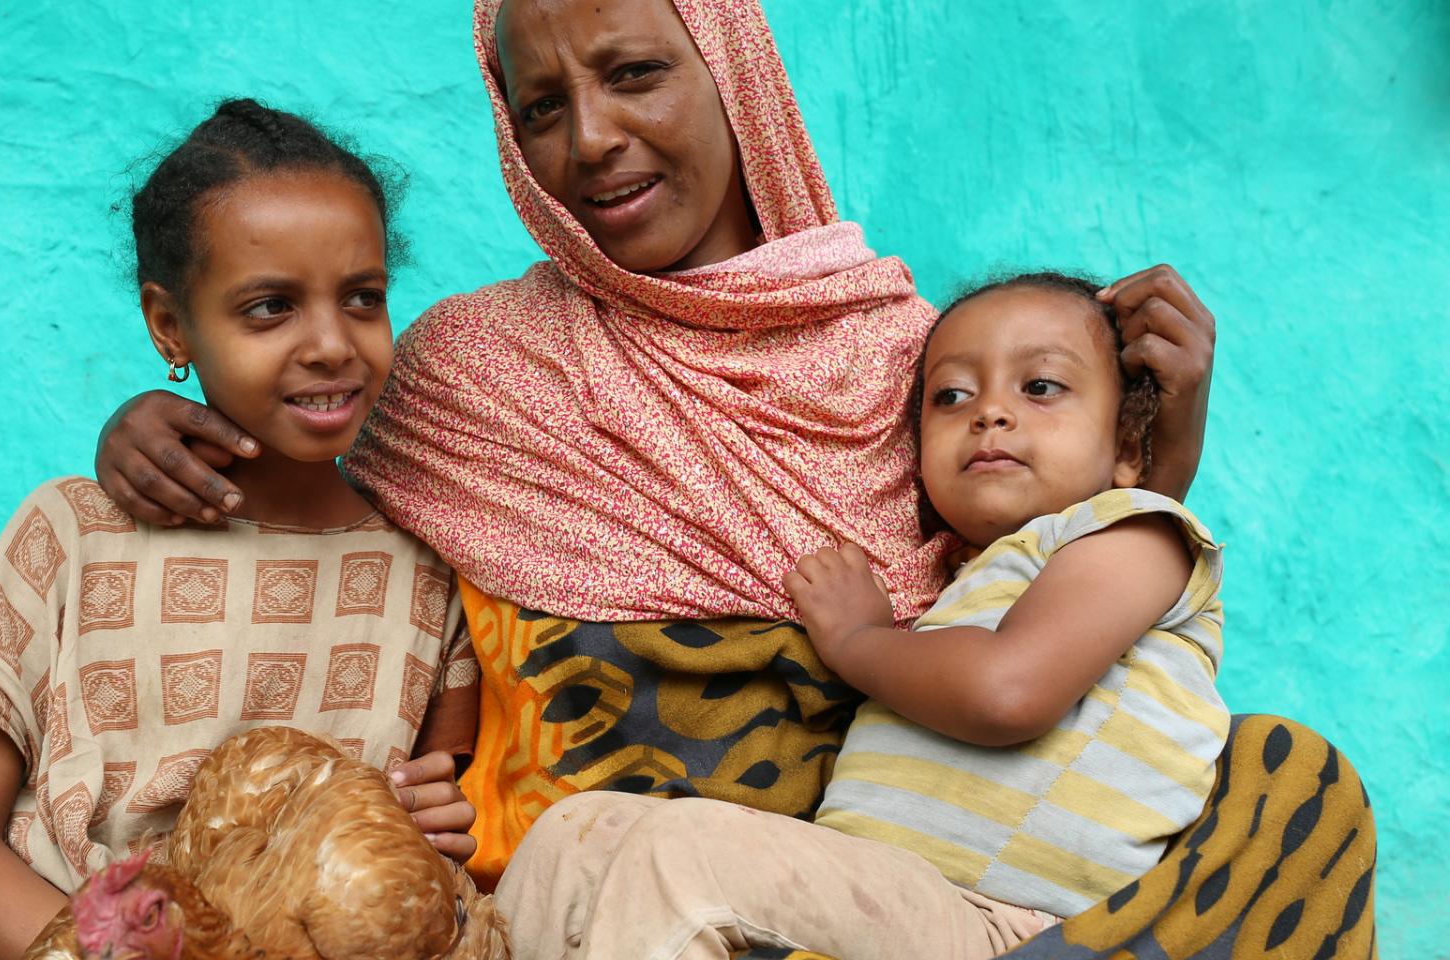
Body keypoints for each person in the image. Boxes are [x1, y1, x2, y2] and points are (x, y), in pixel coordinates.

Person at [91, 2, 1376, 958]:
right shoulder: (469, 372)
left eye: (636, 71)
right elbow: (298, 469)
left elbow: (1056, 601)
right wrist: (155, 426)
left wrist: (1164, 445)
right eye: (540, 107)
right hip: (577, 902)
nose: (590, 140)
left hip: (852, 892)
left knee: (1280, 794)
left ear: (736, 68)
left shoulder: (915, 369)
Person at [492, 271, 1228, 959]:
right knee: (575, 836)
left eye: (1041, 386)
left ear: (1131, 447)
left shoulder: (1139, 532)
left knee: (682, 858)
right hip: (883, 894)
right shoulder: (956, 582)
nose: (990, 413)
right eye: (951, 397)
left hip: (1007, 927)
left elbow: (1008, 692)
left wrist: (856, 638)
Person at [0, 99, 480, 960]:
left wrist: (442, 827)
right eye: (270, 308)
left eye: (363, 297)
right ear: (171, 326)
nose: (331, 343)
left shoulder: (427, 576)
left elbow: (451, 840)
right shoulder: (74, 534)